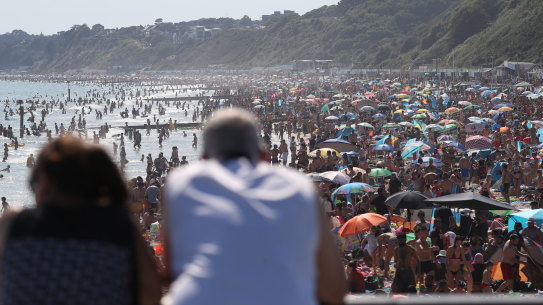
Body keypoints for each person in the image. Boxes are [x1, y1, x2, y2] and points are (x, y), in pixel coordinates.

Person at [163, 109, 346, 305]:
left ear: (204, 158)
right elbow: (333, 289)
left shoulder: (182, 183)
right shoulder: (299, 186)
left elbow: (173, 268)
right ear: (264, 156)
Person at [0, 137, 161, 305]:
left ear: (46, 181)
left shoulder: (15, 223)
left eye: (33, 184)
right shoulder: (118, 226)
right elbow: (151, 294)